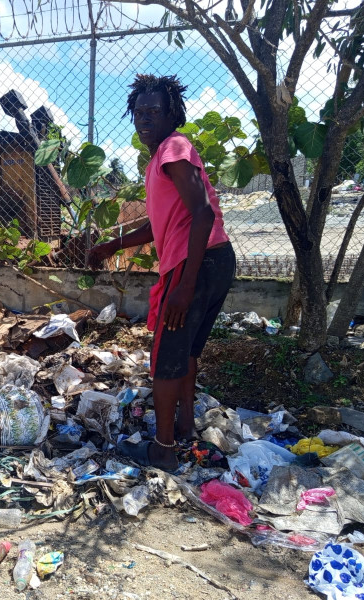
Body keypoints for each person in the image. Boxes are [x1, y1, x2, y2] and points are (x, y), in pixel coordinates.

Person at [87, 74, 236, 471]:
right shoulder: (162, 159)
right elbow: (160, 223)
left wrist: (184, 286)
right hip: (214, 260)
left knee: (165, 359)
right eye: (139, 112)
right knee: (185, 353)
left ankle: (163, 449)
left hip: (196, 264)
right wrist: (112, 245)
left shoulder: (174, 147)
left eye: (154, 111)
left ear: (173, 114)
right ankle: (185, 430)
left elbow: (202, 213)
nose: (144, 119)